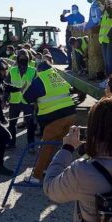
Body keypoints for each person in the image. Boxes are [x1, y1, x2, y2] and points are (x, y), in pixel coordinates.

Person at [22, 54, 76, 183]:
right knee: (59, 145)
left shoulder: (39, 79)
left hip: (55, 119)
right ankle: (51, 170)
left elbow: (26, 98)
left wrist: (24, 88)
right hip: (71, 115)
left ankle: (36, 176)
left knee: (45, 147)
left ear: (39, 71)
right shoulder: (57, 76)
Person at [6, 49, 37, 150]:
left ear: (28, 59)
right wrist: (4, 100)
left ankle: (31, 145)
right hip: (14, 102)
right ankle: (11, 143)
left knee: (30, 125)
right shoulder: (12, 70)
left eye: (25, 58)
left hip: (28, 102)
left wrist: (36, 101)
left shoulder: (33, 71)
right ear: (17, 59)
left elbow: (37, 87)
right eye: (20, 58)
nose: (22, 60)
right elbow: (6, 86)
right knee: (12, 125)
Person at [60, 5, 85, 70]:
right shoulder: (70, 16)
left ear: (77, 9)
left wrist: (74, 26)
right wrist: (63, 14)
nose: (73, 10)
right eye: (72, 9)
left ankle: (79, 66)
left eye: (74, 9)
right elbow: (62, 20)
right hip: (69, 35)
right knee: (69, 51)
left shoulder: (81, 17)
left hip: (77, 36)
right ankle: (70, 66)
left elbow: (82, 25)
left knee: (77, 51)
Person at [99, 0, 112, 78]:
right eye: (106, 2)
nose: (107, 3)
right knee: (106, 63)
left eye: (109, 2)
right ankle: (108, 80)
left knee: (110, 63)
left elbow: (111, 14)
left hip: (110, 40)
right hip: (103, 41)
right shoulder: (105, 13)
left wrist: (108, 7)